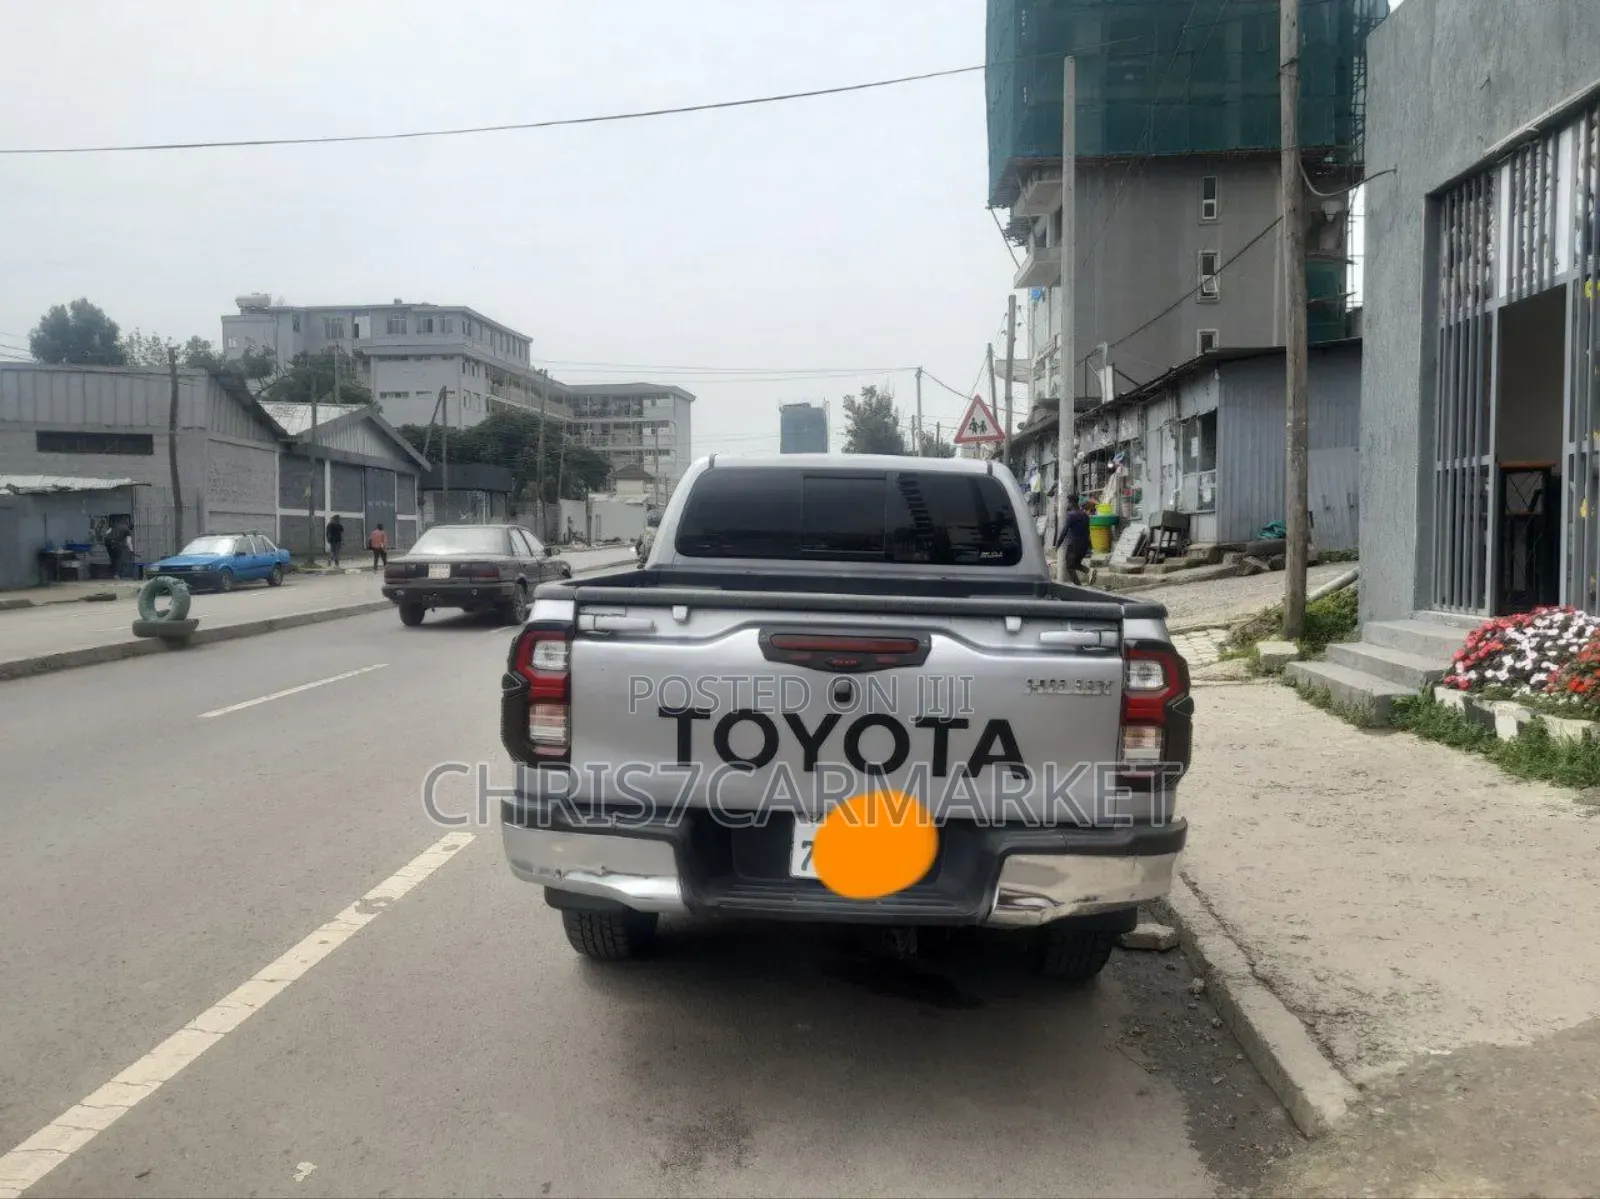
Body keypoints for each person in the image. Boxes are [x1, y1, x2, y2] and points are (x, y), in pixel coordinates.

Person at [1053, 494, 1091, 586]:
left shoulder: (1071, 516)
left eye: (1068, 503)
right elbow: (1088, 531)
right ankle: (1090, 571)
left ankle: (1078, 586)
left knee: (1069, 567)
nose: (1067, 505)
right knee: (1076, 564)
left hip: (1074, 545)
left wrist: (1058, 544)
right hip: (1085, 545)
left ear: (1072, 503)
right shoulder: (1085, 515)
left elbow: (1064, 532)